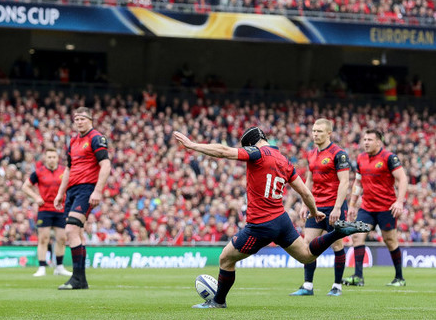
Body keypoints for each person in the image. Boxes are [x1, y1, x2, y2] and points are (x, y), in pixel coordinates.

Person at [173, 127, 370, 309]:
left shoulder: (256, 153)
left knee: (225, 259)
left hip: (260, 225)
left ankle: (218, 302)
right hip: (281, 220)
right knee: (307, 255)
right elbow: (305, 192)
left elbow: (225, 152)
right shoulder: (284, 160)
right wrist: (314, 211)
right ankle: (336, 233)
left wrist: (193, 146)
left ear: (251, 144)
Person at [290, 119, 350, 297]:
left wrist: (338, 207)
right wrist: (304, 204)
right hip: (316, 206)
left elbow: (344, 181)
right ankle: (308, 286)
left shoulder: (339, 154)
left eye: (320, 131)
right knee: (307, 245)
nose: (315, 134)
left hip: (333, 205)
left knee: (337, 245)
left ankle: (337, 286)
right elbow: (309, 180)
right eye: (314, 131)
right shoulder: (311, 154)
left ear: (329, 133)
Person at [54, 107, 111, 290]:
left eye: (82, 118)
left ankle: (77, 278)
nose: (79, 122)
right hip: (71, 190)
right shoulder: (72, 141)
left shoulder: (96, 138)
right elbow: (69, 170)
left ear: (90, 120)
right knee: (75, 233)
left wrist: (97, 191)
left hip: (86, 189)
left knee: (70, 230)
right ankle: (81, 281)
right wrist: (60, 193)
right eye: (76, 119)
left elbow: (106, 165)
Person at [343, 129, 408, 287]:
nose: (366, 142)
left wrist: (399, 202)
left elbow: (402, 178)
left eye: (369, 140)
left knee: (390, 240)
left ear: (379, 142)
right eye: (364, 139)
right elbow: (358, 183)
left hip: (386, 207)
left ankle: (399, 277)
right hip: (367, 207)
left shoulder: (389, 158)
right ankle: (358, 277)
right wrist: (352, 205)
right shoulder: (360, 158)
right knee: (357, 236)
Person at [22, 146, 73, 277]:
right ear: (45, 158)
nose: (51, 159)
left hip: (60, 209)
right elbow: (25, 187)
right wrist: (36, 197)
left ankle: (59, 267)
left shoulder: (64, 171)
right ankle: (42, 267)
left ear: (57, 158)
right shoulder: (38, 172)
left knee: (61, 238)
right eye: (49, 157)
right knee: (43, 238)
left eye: (54, 157)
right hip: (45, 209)